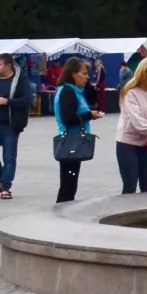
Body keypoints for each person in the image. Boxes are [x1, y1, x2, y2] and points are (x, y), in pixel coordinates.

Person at [0, 53, 34, 199]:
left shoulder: (20, 79)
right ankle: (2, 178)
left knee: (9, 157)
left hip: (10, 125)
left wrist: (8, 101)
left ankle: (6, 188)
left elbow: (28, 99)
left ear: (8, 66)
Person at [53, 58, 105, 203]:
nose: (87, 77)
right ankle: (61, 214)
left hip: (74, 140)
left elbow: (93, 95)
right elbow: (67, 118)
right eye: (84, 73)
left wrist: (85, 82)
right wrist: (89, 115)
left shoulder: (76, 90)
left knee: (71, 182)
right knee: (68, 184)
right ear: (74, 74)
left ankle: (64, 212)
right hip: (70, 140)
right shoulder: (68, 91)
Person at [116, 59, 147, 194]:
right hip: (127, 143)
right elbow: (138, 122)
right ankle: (125, 213)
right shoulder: (130, 92)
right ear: (142, 74)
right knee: (130, 185)